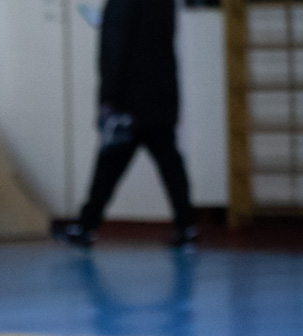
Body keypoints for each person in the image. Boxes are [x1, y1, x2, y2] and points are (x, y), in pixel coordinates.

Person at [53, 0, 197, 249]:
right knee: (169, 163)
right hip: (161, 97)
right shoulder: (165, 4)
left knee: (110, 164)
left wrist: (108, 99)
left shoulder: (121, 4)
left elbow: (114, 50)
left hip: (128, 102)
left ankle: (86, 226)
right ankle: (187, 226)